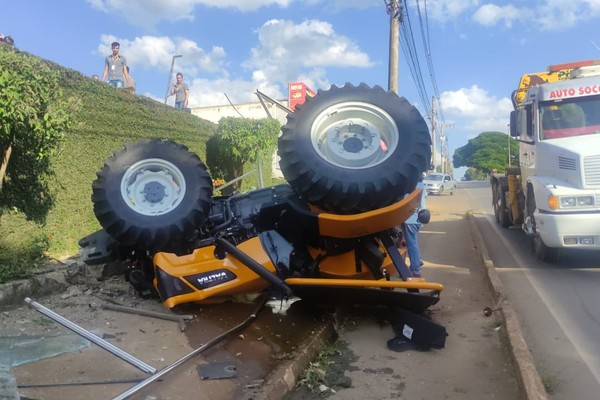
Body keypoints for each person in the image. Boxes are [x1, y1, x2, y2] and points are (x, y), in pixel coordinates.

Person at [402, 173, 427, 278]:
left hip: (410, 218)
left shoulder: (407, 186)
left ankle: (415, 270)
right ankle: (419, 259)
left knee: (411, 243)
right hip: (420, 217)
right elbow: (424, 197)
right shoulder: (421, 185)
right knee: (414, 241)